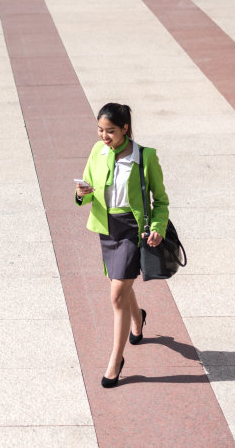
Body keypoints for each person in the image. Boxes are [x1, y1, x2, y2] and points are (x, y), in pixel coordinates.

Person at [75, 103, 169, 388]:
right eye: (101, 130)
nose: (104, 136)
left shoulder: (145, 156)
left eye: (110, 131)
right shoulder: (97, 150)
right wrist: (81, 193)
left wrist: (157, 227)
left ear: (125, 128)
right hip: (107, 228)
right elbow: (88, 189)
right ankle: (137, 319)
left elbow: (161, 201)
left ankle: (115, 361)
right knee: (120, 284)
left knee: (116, 295)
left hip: (132, 230)